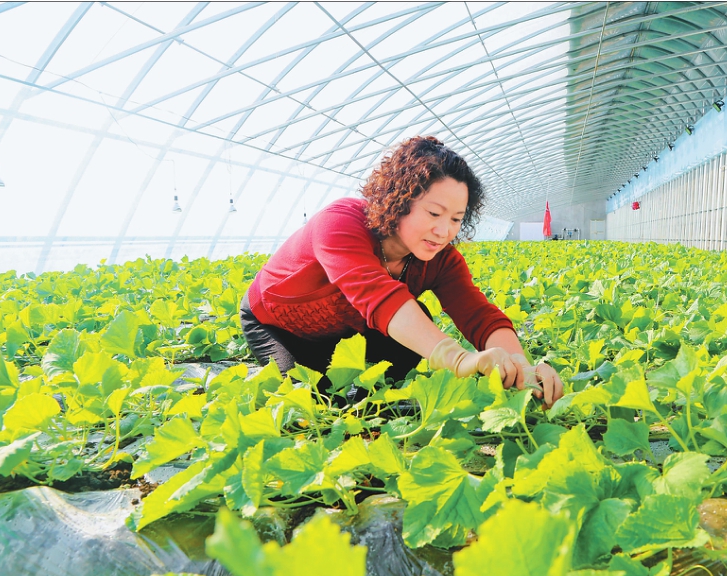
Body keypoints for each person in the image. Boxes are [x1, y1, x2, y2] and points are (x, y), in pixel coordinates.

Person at [239, 135, 564, 408]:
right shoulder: (340, 224)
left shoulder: (441, 260)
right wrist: (459, 359)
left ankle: (371, 409)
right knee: (310, 411)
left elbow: (477, 314)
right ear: (398, 199)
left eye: (455, 219)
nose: (443, 231)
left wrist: (521, 365)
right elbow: (380, 297)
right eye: (434, 212)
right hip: (279, 327)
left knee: (413, 324)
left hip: (346, 334)